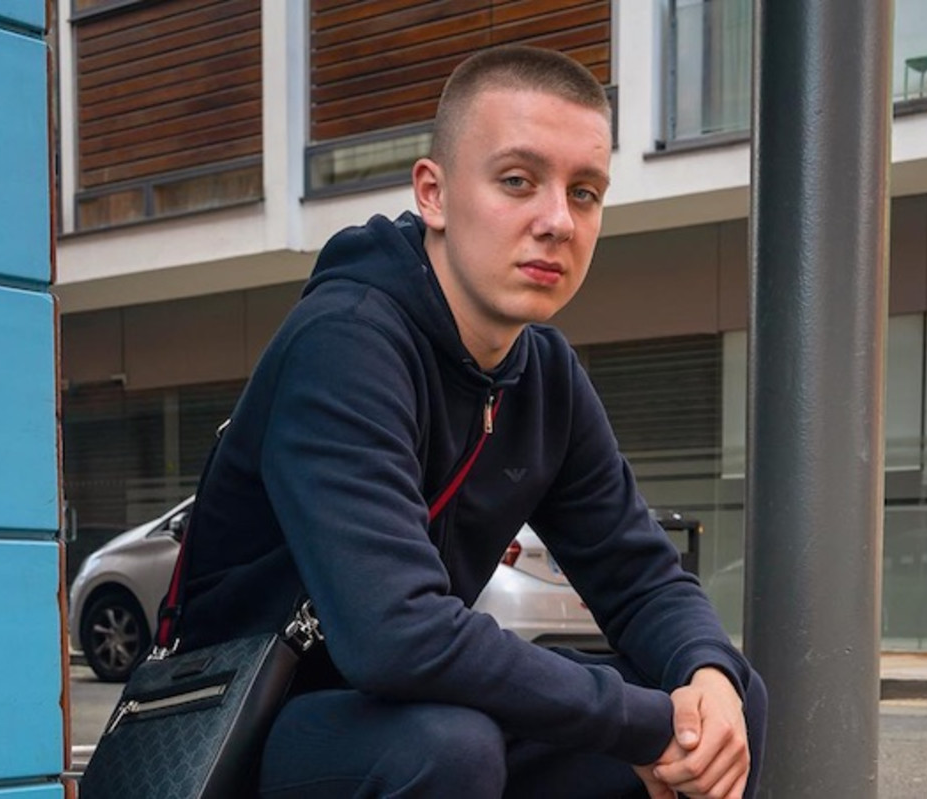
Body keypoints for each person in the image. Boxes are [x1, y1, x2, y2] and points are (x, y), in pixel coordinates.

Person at [181, 44, 767, 799]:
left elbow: (640, 577)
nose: (557, 221)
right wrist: (644, 722)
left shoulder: (543, 373)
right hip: (243, 725)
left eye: (585, 192)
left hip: (400, 708)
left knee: (725, 712)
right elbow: (398, 635)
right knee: (447, 745)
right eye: (517, 181)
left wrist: (706, 676)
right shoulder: (344, 342)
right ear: (434, 193)